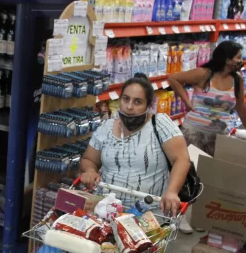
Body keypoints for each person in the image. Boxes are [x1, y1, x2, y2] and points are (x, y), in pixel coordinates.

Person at [167, 40, 246, 233]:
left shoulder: (237, 81)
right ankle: (178, 216)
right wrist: (187, 101)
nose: (241, 60)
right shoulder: (204, 75)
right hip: (193, 134)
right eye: (238, 57)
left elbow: (241, 106)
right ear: (227, 58)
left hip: (217, 137)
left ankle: (197, 215)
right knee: (186, 177)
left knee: (205, 179)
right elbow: (174, 78)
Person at [79, 73, 189, 217]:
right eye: (126, 99)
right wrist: (90, 171)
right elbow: (89, 159)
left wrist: (172, 191)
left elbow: (181, 160)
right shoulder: (106, 127)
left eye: (137, 102)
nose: (129, 106)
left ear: (148, 105)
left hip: (148, 216)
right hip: (107, 211)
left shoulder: (160, 123)